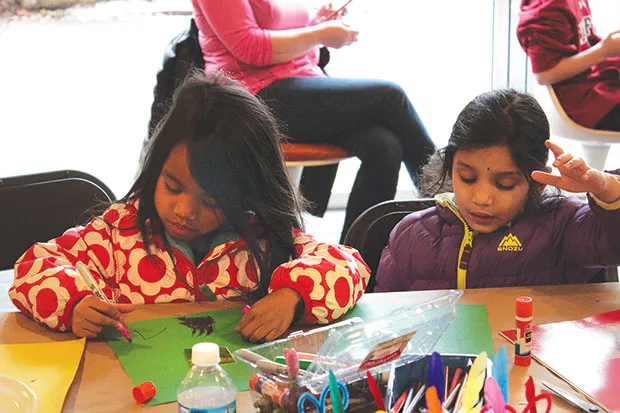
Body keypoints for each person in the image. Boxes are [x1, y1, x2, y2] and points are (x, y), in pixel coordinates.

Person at [9, 73, 370, 343]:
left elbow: (348, 264)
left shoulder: (262, 239)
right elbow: (33, 267)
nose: (184, 210)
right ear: (155, 168)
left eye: (211, 201)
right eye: (172, 186)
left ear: (247, 195)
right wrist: (74, 304)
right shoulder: (117, 235)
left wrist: (293, 295)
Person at [189, 0, 436, 241]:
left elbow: (290, 39)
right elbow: (249, 47)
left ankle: (357, 256)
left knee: (383, 145)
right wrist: (320, 34)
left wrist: (317, 24)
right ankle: (442, 196)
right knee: (390, 97)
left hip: (296, 86)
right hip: (250, 97)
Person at [375, 89, 620, 292]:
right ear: (450, 168)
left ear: (538, 182)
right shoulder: (411, 237)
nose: (482, 198)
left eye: (505, 184)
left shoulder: (563, 228)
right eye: (467, 178)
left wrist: (606, 187)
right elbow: (384, 319)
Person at [517, 0, 620, 131]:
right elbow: (544, 74)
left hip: (596, 82)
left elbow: (586, 43)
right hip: (585, 102)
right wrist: (604, 50)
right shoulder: (546, 11)